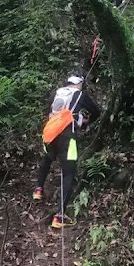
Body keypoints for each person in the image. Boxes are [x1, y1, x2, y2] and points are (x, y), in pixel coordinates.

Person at [33, 73, 100, 228]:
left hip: (50, 133)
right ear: (79, 84)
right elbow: (96, 112)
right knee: (69, 172)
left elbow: (51, 112)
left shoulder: (57, 92)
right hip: (67, 136)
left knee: (47, 159)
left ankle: (38, 189)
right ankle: (59, 216)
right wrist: (86, 122)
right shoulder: (80, 94)